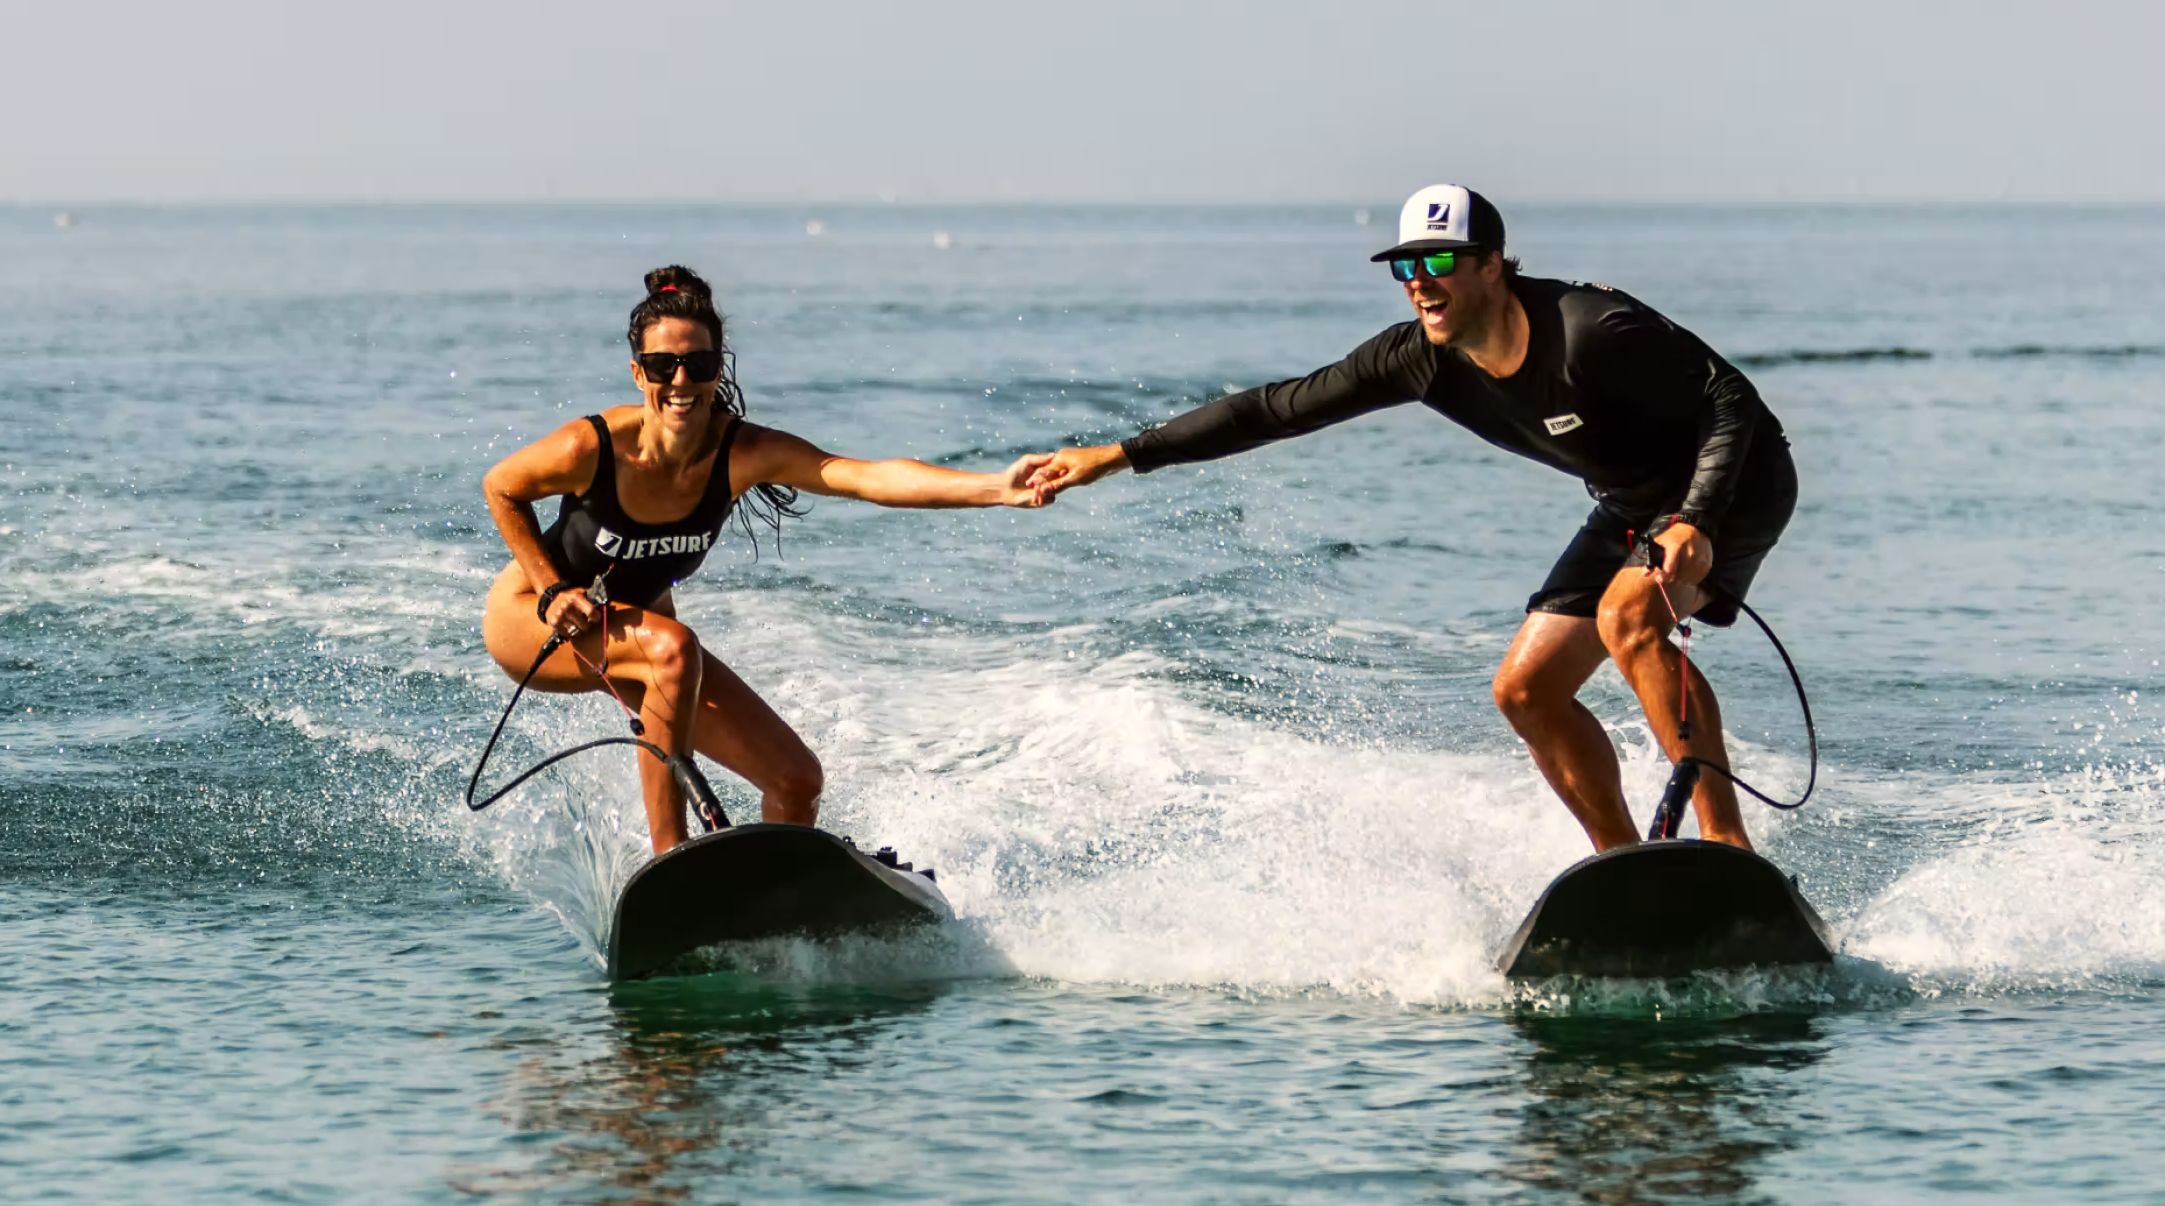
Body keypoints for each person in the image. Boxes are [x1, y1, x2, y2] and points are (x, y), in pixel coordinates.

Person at [1030, 186, 1797, 853]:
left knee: (1627, 617)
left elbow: (1728, 398)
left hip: (1736, 482)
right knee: (1525, 692)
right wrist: (1121, 454)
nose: (1419, 285)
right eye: (1406, 268)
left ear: (1491, 265)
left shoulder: (1590, 330)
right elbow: (1270, 410)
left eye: (1438, 265)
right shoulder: (1416, 360)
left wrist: (1696, 520)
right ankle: (1625, 870)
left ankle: (1727, 846)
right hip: (1633, 502)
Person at [483, 266, 1055, 852]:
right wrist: (552, 590)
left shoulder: (742, 453)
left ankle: (772, 909)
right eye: (662, 366)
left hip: (644, 645)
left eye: (699, 365)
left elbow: (864, 477)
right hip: (533, 622)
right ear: (639, 373)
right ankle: (674, 864)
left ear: (718, 368)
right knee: (674, 649)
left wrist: (995, 488)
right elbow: (502, 488)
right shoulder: (593, 447)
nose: (681, 381)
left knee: (796, 779)